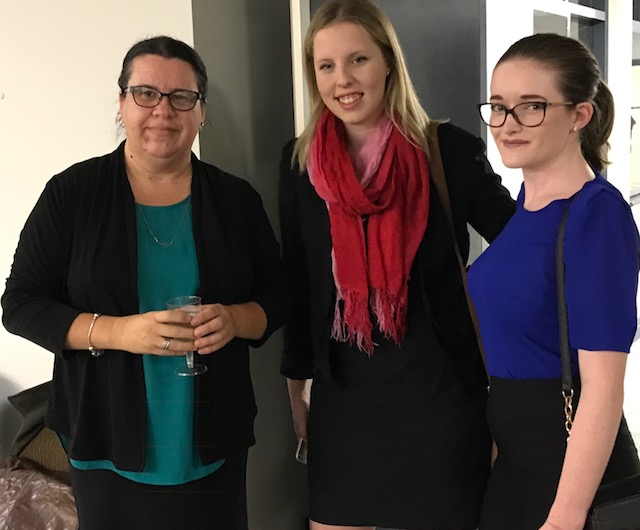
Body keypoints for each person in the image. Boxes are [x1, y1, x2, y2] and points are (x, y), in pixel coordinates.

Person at [1, 35, 286, 530]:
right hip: (103, 437)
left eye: (182, 97)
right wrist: (118, 332)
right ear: (122, 103)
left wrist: (236, 320)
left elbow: (281, 296)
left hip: (212, 439)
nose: (163, 110)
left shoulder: (236, 200)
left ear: (201, 112)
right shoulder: (72, 194)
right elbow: (20, 305)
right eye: (146, 93)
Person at [278, 1, 515, 528]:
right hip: (344, 397)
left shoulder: (447, 150)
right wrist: (296, 385)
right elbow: (299, 282)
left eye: (358, 59)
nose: (342, 80)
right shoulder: (300, 163)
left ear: (388, 62)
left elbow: (520, 247)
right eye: (326, 65)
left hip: (439, 396)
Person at [468, 33, 640, 530]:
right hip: (517, 464)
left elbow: (603, 387)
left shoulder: (595, 214)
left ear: (579, 115)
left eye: (532, 106)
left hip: (568, 475)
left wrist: (565, 516)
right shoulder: (527, 207)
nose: (508, 123)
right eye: (499, 106)